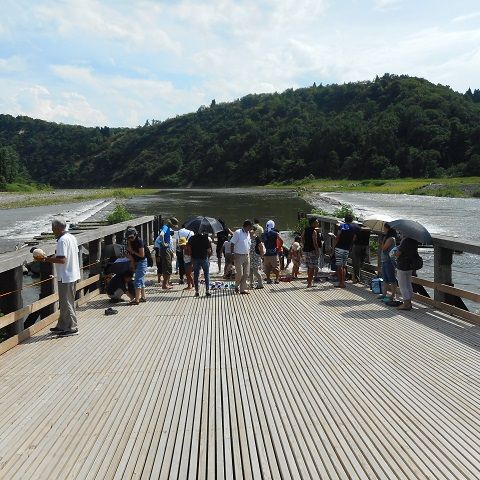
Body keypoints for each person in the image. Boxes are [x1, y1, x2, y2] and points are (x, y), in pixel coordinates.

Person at [44, 217, 81, 336]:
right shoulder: (71, 237)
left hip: (66, 276)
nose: (52, 230)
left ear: (57, 228)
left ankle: (72, 328)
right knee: (65, 302)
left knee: (66, 303)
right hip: (73, 274)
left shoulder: (62, 241)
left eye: (53, 228)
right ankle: (62, 325)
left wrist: (45, 259)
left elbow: (62, 259)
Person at [394, 234, 419, 310]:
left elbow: (398, 253)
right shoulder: (414, 241)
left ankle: (406, 304)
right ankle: (409, 302)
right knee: (408, 284)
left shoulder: (405, 241)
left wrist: (395, 252)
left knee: (402, 286)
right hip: (410, 265)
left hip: (402, 265)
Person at [334, 214, 358, 288]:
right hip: (347, 248)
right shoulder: (354, 227)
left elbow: (338, 237)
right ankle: (343, 282)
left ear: (345, 220)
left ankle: (340, 283)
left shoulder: (343, 226)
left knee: (339, 266)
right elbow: (354, 238)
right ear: (351, 220)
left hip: (339, 247)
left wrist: (333, 237)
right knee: (344, 266)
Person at [155, 217, 179, 289]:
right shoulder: (165, 227)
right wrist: (164, 243)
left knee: (168, 266)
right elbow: (161, 235)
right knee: (167, 266)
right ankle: (164, 285)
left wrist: (171, 251)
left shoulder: (167, 228)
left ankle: (166, 283)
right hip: (165, 249)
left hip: (167, 249)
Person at [125, 226, 147, 305]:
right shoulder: (130, 241)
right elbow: (130, 253)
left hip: (142, 261)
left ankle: (137, 299)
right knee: (141, 280)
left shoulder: (139, 241)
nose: (130, 239)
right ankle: (143, 297)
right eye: (128, 238)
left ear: (135, 235)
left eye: (131, 237)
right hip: (137, 262)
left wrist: (132, 251)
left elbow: (142, 255)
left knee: (137, 280)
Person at [230, 219, 253, 294]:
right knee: (240, 273)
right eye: (250, 227)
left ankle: (243, 289)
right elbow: (232, 243)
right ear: (247, 226)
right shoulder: (237, 232)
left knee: (246, 273)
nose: (251, 229)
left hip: (247, 255)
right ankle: (236, 285)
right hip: (238, 255)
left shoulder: (248, 233)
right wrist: (232, 254)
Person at [188, 232, 212, 297]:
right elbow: (209, 250)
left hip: (195, 258)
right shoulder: (205, 238)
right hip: (204, 258)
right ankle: (207, 291)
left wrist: (191, 257)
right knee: (206, 274)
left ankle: (197, 291)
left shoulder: (191, 238)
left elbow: (189, 249)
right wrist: (208, 257)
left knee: (196, 275)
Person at [379, 223, 397, 302]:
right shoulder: (387, 238)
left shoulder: (391, 239)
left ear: (389, 229)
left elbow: (383, 248)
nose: (384, 230)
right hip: (384, 260)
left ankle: (393, 295)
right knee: (385, 278)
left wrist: (383, 241)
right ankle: (384, 294)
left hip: (389, 260)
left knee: (391, 278)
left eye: (385, 229)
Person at [302, 217, 321, 288]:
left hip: (306, 250)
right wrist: (317, 251)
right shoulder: (314, 231)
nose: (318, 223)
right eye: (317, 222)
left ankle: (309, 282)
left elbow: (302, 237)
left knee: (309, 266)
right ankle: (309, 283)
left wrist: (305, 244)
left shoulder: (306, 229)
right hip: (312, 251)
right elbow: (315, 243)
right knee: (312, 267)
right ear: (313, 223)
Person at [263, 220, 282, 284]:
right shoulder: (275, 233)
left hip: (266, 253)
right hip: (273, 253)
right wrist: (278, 248)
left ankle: (268, 279)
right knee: (276, 267)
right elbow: (281, 241)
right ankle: (277, 279)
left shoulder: (263, 234)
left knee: (267, 267)